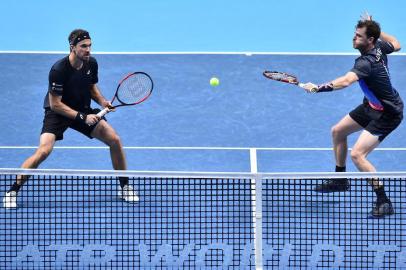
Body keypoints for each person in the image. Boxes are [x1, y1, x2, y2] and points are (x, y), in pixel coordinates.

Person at [3, 29, 139, 208]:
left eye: (90, 46)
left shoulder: (91, 63)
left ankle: (124, 186)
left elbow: (91, 88)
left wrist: (103, 101)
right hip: (58, 113)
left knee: (114, 140)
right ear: (72, 47)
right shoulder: (58, 70)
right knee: (43, 151)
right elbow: (55, 105)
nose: (88, 50)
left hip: (82, 108)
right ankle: (12, 190)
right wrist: (83, 118)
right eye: (83, 46)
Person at [302, 14, 403, 218]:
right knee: (338, 131)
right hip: (372, 106)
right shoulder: (380, 48)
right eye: (354, 35)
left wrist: (318, 88)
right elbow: (397, 43)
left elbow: (346, 81)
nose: (353, 38)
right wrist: (375, 29)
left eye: (358, 36)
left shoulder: (366, 63)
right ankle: (341, 180)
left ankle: (384, 200)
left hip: (388, 114)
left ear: (370, 41)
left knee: (358, 155)